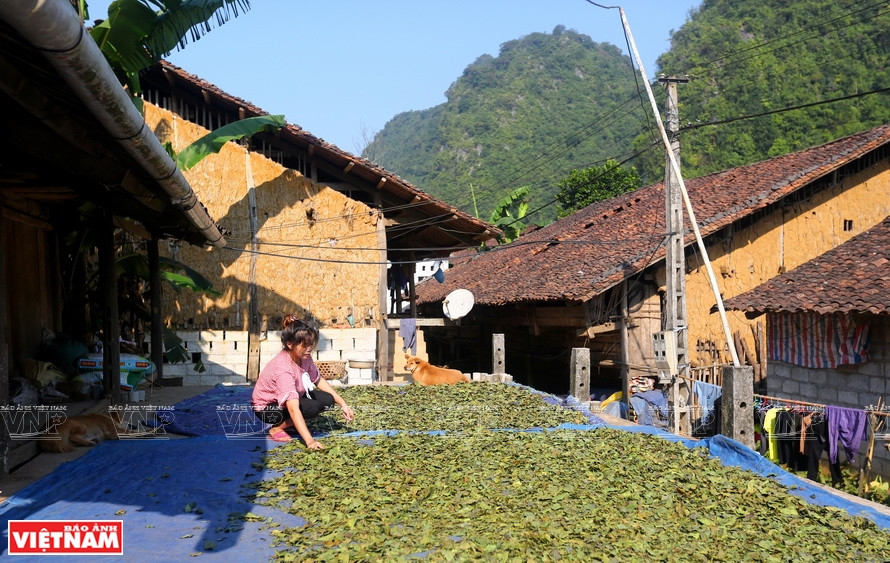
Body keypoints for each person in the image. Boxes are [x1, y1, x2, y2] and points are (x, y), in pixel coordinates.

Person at [252, 316, 354, 448]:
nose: (309, 348)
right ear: (290, 344)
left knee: (328, 400)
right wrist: (310, 441)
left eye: (311, 344)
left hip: (286, 400)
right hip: (267, 409)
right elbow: (293, 409)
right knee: (312, 408)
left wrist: (343, 404)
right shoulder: (283, 369)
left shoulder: (304, 357)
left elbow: (318, 380)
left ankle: (292, 424)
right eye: (305, 345)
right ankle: (277, 428)